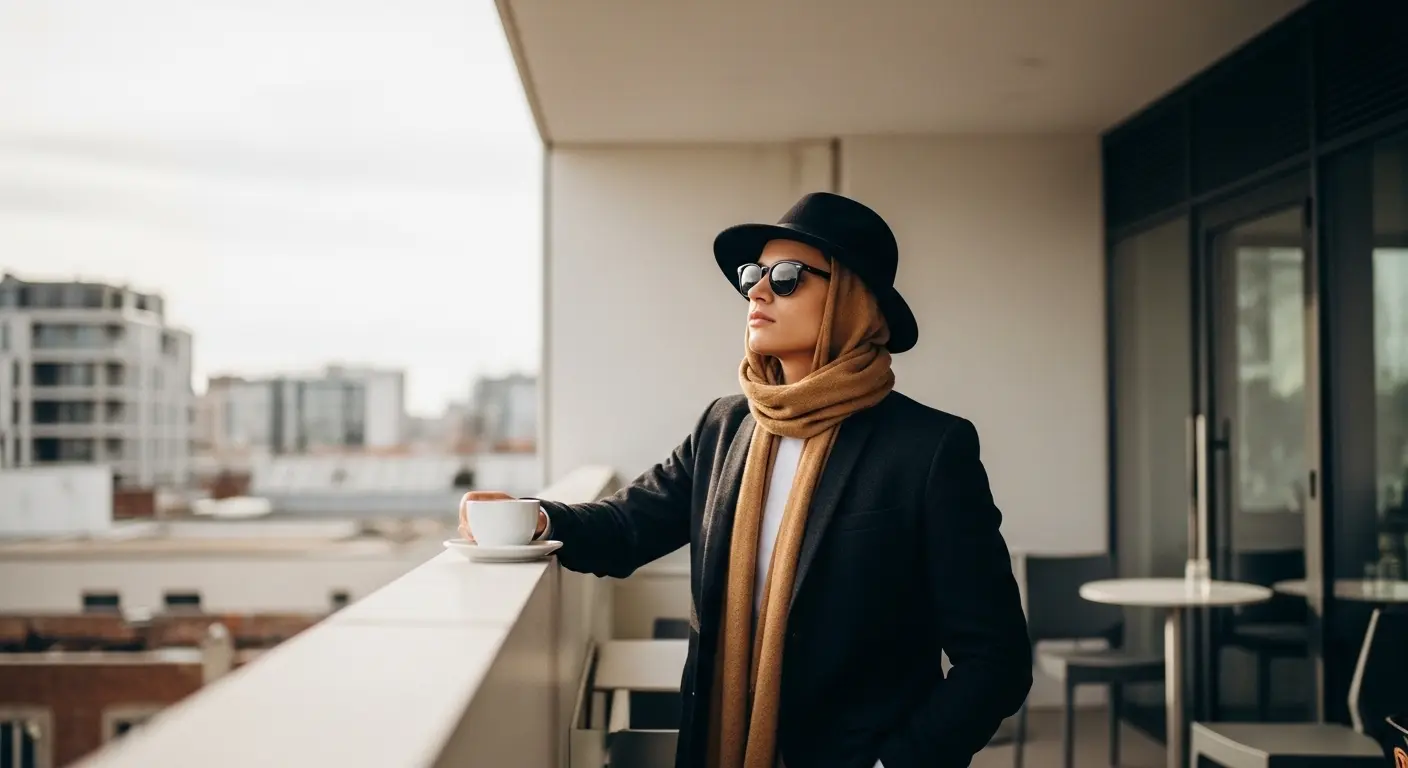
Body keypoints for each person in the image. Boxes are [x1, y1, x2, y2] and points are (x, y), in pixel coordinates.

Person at [459, 192, 1032, 768]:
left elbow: (996, 659)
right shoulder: (725, 426)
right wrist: (531, 517)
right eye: (753, 275)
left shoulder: (929, 449)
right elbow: (627, 525)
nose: (757, 291)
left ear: (852, 301)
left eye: (786, 277)